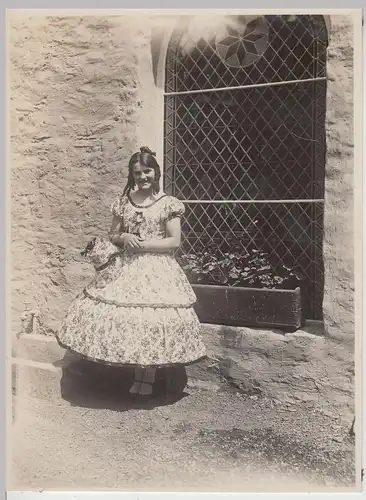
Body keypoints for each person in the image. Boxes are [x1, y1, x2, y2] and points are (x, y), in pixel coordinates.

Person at [56, 146, 206, 397]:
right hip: (125, 267)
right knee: (125, 319)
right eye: (137, 173)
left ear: (156, 172)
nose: (142, 177)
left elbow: (173, 241)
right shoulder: (124, 203)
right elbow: (112, 235)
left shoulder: (167, 204)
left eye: (147, 171)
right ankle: (126, 375)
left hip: (157, 268)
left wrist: (142, 245)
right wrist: (124, 236)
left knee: (150, 320)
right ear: (132, 176)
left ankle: (146, 380)